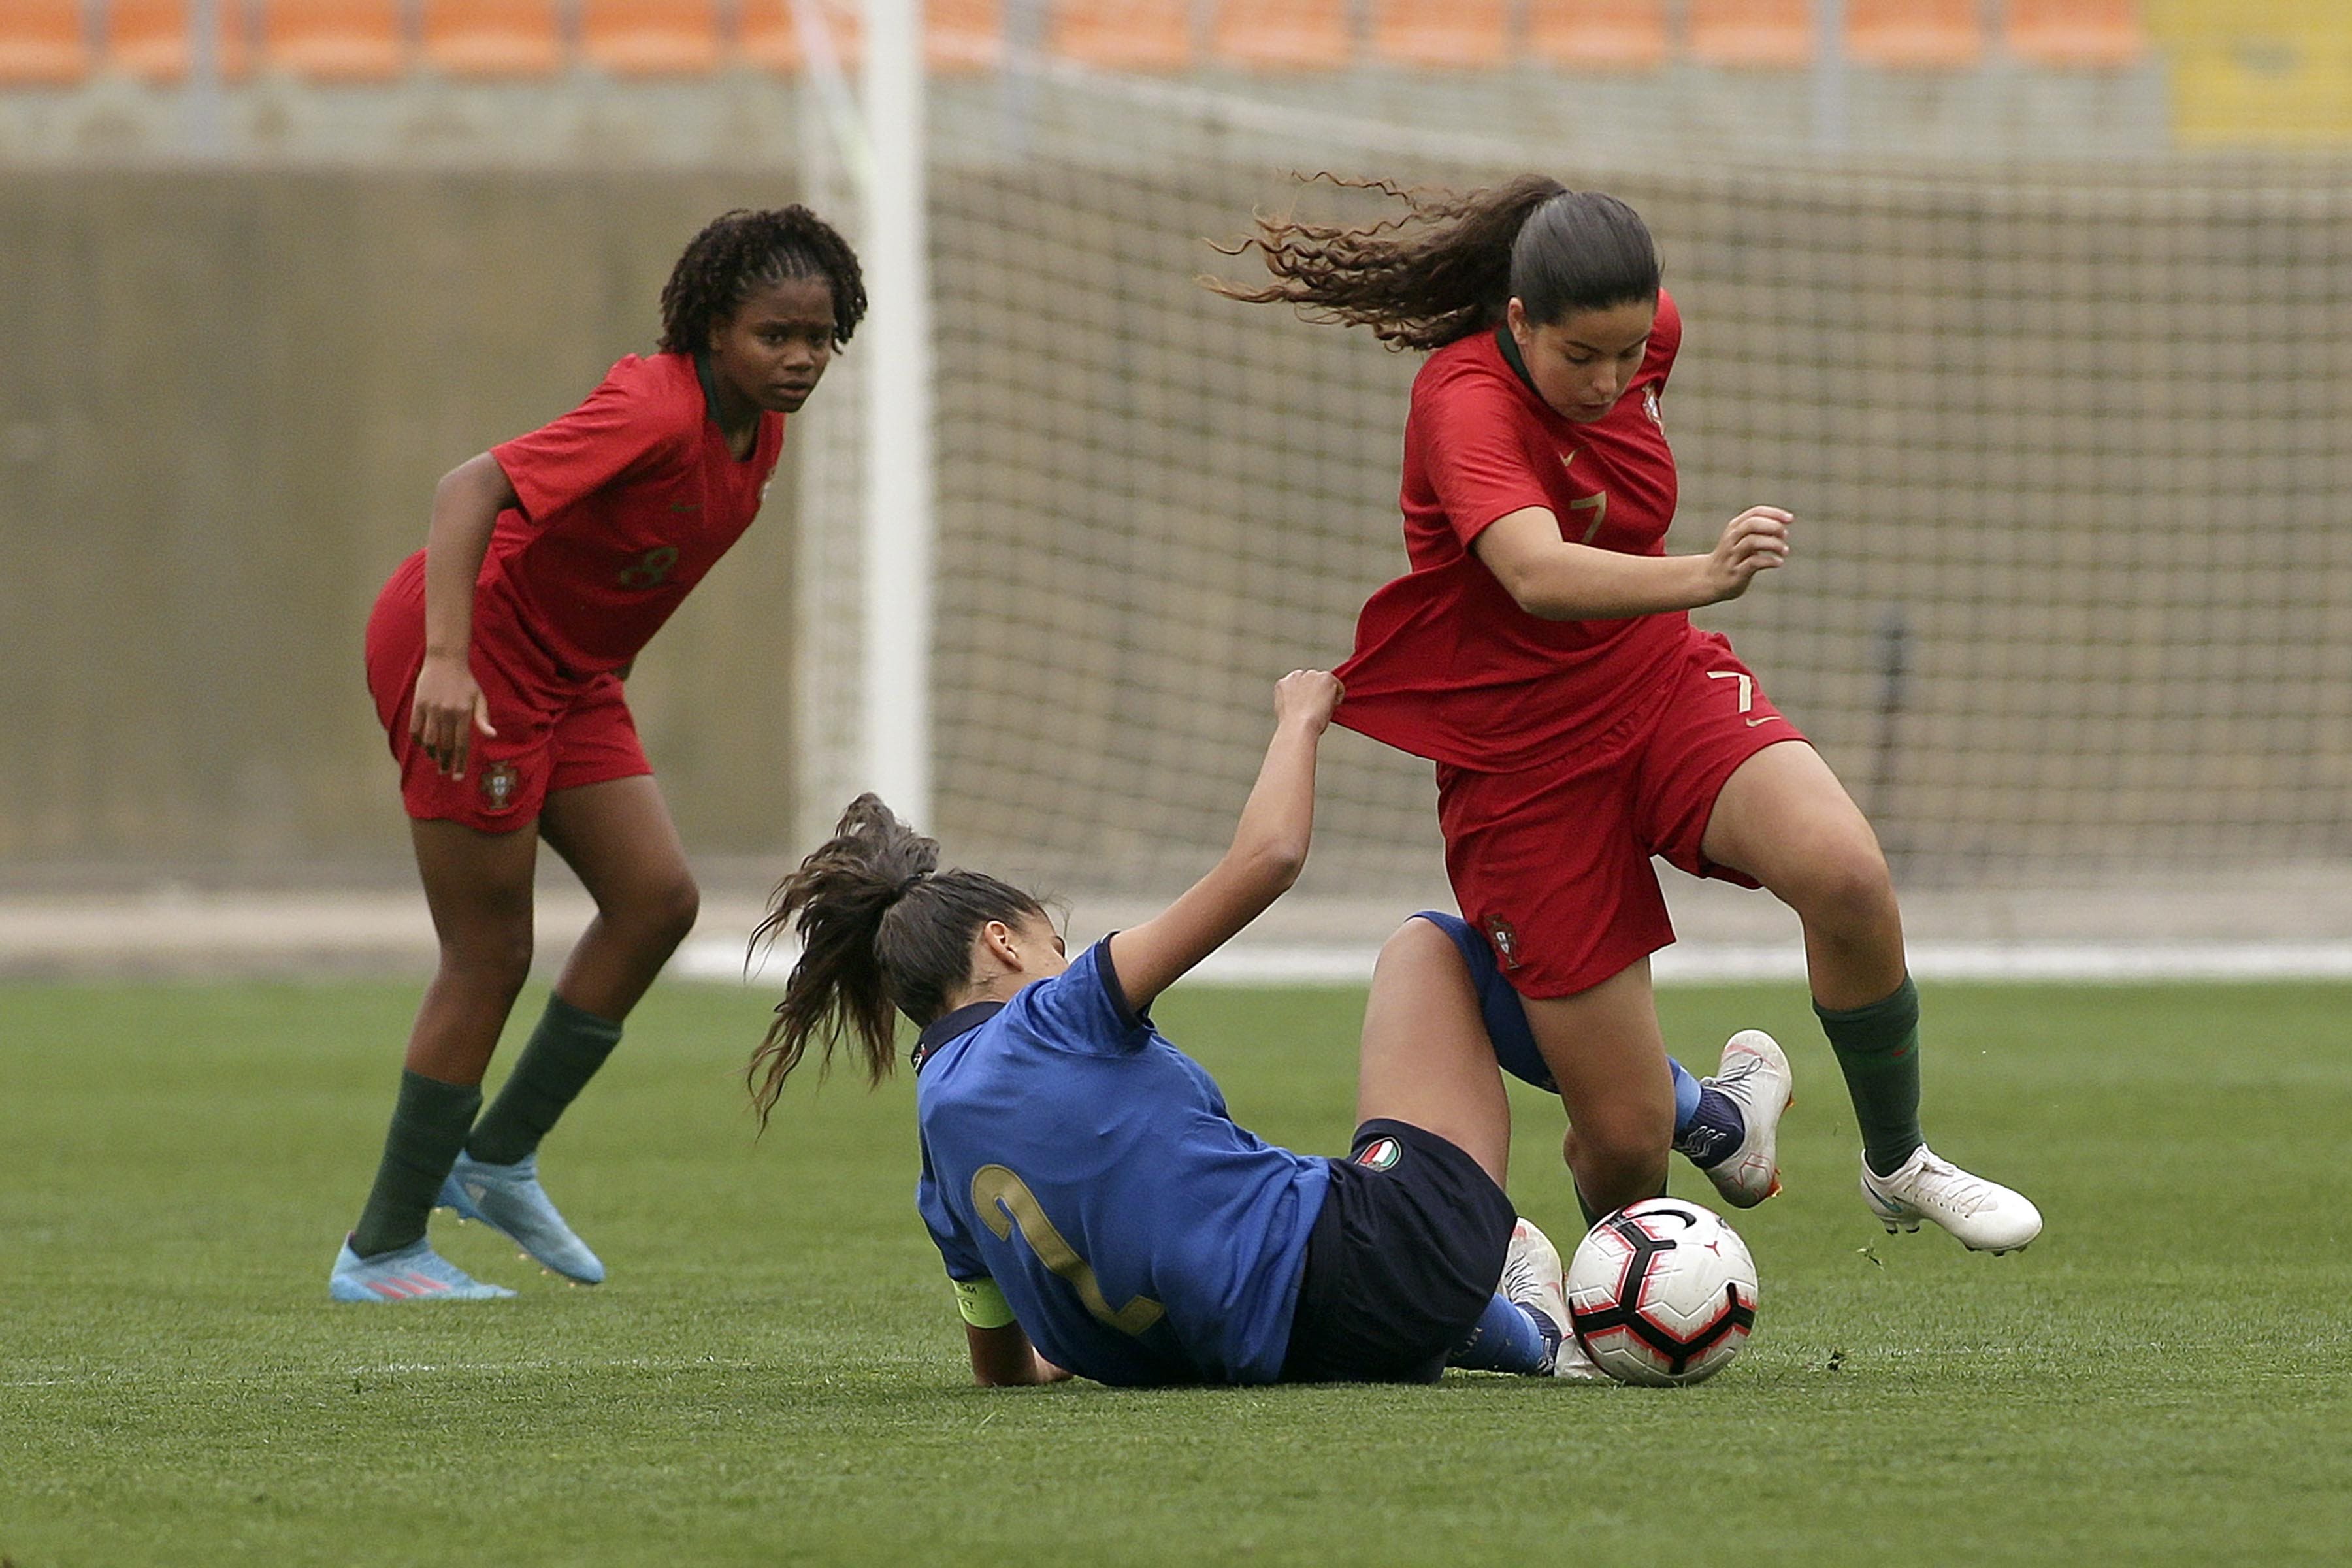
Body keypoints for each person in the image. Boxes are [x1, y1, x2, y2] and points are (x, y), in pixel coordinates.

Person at [1209, 176, 2039, 1253]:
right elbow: (1535, 574)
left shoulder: (1647, 339)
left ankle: (1899, 1161)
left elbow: (1614, 448)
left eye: (1630, 352)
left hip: (1654, 685)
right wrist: (1704, 572)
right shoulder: (1462, 401)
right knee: (1625, 1138)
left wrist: (1683, 594)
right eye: (1581, 358)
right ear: (1519, 321)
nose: (1612, 380)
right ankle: (1631, 1295)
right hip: (1520, 768)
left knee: (1845, 875)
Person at [751, 672, 1627, 1386]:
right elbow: (1270, 858)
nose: (1073, 959)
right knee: (1432, 950)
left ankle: (1531, 1338)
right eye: (1060, 944)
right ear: (1002, 942)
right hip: (1384, 1267)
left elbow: (1007, 1374)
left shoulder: (938, 1163)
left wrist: (1088, 1341)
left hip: (1289, 1351)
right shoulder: (1055, 1016)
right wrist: (1300, 719)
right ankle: (1699, 1111)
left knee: (1282, 1210)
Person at [329, 206, 868, 1303]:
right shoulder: (655, 407)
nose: (802, 358)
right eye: (777, 335)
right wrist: (446, 659)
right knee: (489, 955)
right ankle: (382, 1249)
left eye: (820, 336)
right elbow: (467, 488)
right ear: (714, 328)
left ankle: (497, 1157)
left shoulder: (756, 428)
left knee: (657, 900)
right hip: (470, 658)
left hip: (567, 677)